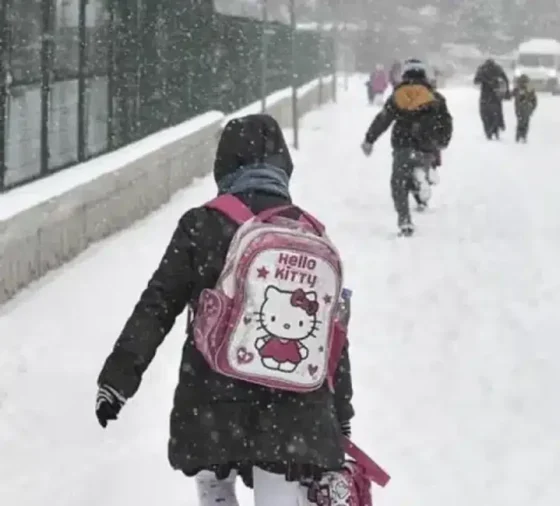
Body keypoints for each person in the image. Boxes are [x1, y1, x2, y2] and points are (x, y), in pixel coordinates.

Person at [94, 114, 355, 506]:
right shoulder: (308, 232)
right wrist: (341, 410)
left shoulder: (202, 224)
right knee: (283, 488)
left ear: (224, 165)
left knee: (214, 479)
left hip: (212, 399)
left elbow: (158, 304)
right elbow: (330, 333)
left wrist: (118, 378)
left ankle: (216, 491)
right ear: (283, 166)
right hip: (294, 408)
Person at [361, 58, 453, 236]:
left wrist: (369, 140)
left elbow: (383, 119)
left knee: (398, 183)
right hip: (427, 146)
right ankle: (424, 177)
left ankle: (404, 220)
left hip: (403, 145)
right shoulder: (436, 98)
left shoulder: (397, 96)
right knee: (422, 164)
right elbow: (446, 122)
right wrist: (442, 141)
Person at [473, 58, 510, 140]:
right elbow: (505, 79)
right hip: (494, 94)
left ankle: (490, 130)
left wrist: (485, 80)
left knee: (486, 114)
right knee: (495, 113)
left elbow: (476, 80)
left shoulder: (482, 69)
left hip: (487, 95)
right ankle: (495, 129)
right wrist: (506, 91)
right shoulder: (497, 69)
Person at [512, 74, 538, 143]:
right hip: (526, 108)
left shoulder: (518, 88)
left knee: (520, 121)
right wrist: (532, 108)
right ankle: (522, 135)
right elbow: (534, 100)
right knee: (525, 122)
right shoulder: (529, 88)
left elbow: (512, 94)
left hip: (520, 108)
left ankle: (519, 135)